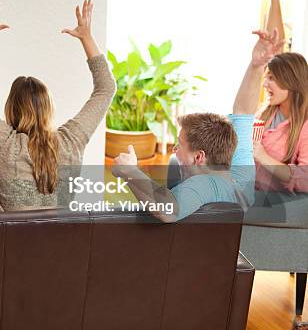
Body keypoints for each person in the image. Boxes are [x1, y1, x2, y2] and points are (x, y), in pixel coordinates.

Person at [0, 0, 116, 211]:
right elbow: (106, 88)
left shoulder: (3, 141)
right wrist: (87, 38)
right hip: (62, 242)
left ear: (11, 109)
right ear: (49, 108)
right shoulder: (71, 141)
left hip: (9, 243)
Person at [110, 30, 290, 222]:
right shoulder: (241, 174)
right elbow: (244, 112)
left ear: (199, 156)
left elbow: (168, 212)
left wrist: (130, 171)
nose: (175, 149)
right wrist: (257, 66)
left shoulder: (203, 185)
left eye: (179, 144)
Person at [235, 0, 308, 195]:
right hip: (248, 191)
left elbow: (305, 179)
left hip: (270, 203)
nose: (265, 83)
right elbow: (272, 52)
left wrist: (264, 157)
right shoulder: (267, 112)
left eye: (272, 79)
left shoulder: (303, 127)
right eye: (267, 77)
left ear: (292, 82)